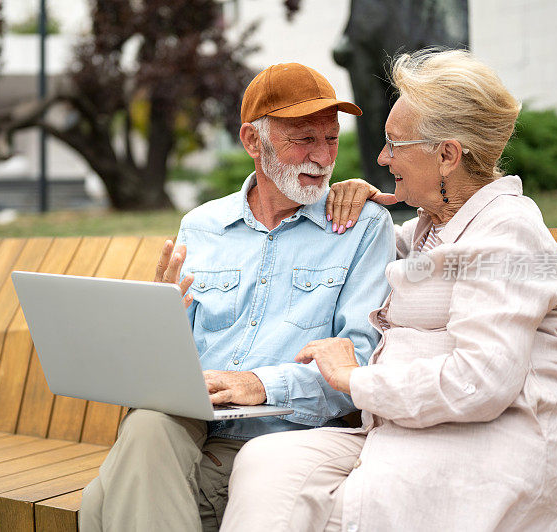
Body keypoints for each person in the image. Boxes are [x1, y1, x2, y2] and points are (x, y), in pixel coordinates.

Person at [221, 49, 557, 531]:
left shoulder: (507, 235)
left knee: (338, 513)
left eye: (395, 144)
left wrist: (353, 380)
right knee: (265, 463)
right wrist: (354, 207)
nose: (381, 158)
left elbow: (479, 383)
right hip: (410, 430)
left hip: (490, 444)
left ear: (447, 155)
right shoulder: (431, 227)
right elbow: (351, 256)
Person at [78, 63, 396, 532]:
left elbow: (362, 361)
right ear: (252, 141)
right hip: (184, 429)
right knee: (146, 423)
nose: (323, 157)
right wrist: (157, 324)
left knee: (100, 503)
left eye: (331, 138)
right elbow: (170, 363)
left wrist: (261, 383)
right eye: (304, 139)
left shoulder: (361, 227)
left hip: (277, 444)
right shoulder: (201, 225)